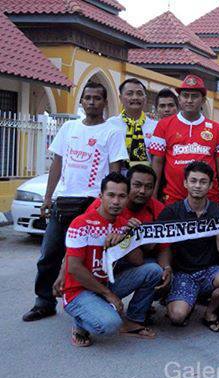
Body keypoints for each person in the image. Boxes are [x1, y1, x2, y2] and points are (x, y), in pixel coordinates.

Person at [22, 82, 128, 322]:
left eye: (97, 98)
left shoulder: (112, 132)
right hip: (64, 200)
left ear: (104, 102)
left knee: (89, 258)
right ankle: (44, 302)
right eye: (87, 98)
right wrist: (48, 198)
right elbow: (57, 164)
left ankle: (91, 302)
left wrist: (112, 202)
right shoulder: (69, 128)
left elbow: (115, 171)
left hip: (93, 203)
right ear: (81, 102)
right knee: (50, 253)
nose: (92, 102)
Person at [61, 173, 162, 347]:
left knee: (153, 270)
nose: (116, 201)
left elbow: (138, 261)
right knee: (110, 324)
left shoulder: (123, 223)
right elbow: (74, 268)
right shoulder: (81, 224)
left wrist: (128, 238)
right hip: (79, 291)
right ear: (100, 196)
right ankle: (79, 324)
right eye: (111, 195)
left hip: (106, 283)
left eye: (122, 196)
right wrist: (109, 295)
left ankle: (133, 321)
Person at [157, 161, 219, 332]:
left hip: (209, 270)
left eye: (203, 181)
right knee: (177, 317)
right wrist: (167, 267)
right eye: (193, 181)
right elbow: (161, 245)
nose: (197, 186)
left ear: (210, 185)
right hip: (182, 273)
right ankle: (182, 299)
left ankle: (210, 312)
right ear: (185, 183)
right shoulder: (171, 212)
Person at [150, 74, 219, 205]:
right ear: (179, 99)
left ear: (203, 100)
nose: (189, 100)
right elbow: (157, 164)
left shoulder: (217, 129)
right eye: (185, 95)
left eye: (194, 96)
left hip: (209, 201)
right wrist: (152, 198)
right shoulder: (163, 125)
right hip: (173, 199)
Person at [108, 78, 157, 169]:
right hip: (117, 179)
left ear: (145, 98)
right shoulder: (110, 125)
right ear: (120, 98)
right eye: (129, 93)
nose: (135, 97)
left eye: (139, 94)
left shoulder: (156, 127)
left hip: (146, 180)